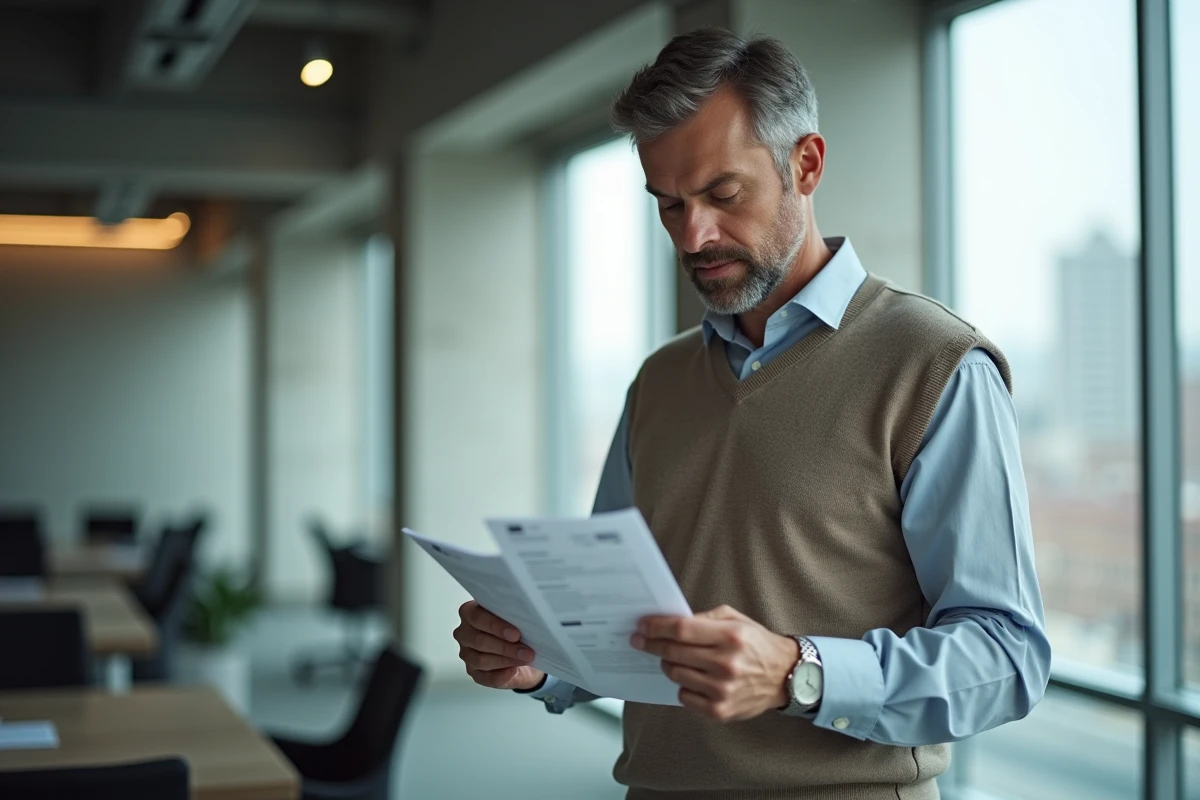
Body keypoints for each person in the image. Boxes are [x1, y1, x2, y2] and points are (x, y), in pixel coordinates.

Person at [454, 27, 1050, 800]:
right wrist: (540, 661)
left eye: (723, 195)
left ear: (806, 164)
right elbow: (611, 623)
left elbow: (1007, 657)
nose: (693, 235)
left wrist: (800, 673)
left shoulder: (934, 366)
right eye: (669, 205)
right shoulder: (658, 383)